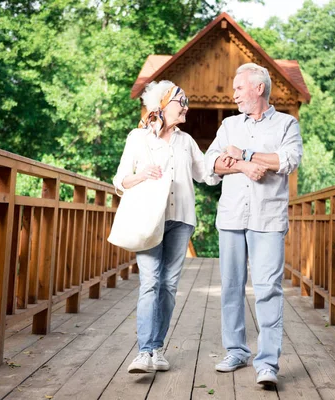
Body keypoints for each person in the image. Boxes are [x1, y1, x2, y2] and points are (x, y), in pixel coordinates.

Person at [204, 63, 303, 387]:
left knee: (268, 289)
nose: (234, 95)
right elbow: (212, 163)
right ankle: (235, 351)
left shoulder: (287, 124)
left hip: (268, 219)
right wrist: (246, 165)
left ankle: (268, 363)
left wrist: (244, 153)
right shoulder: (229, 125)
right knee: (231, 287)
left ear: (258, 89)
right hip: (232, 216)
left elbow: (287, 160)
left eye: (239, 88)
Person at [113, 81, 219, 373]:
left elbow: (207, 175)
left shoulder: (185, 141)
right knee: (150, 282)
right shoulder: (138, 138)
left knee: (169, 285)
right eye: (180, 102)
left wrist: (229, 161)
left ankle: (157, 349)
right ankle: (144, 351)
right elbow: (120, 179)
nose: (186, 107)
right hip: (150, 220)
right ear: (162, 104)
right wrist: (141, 175)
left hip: (181, 219)